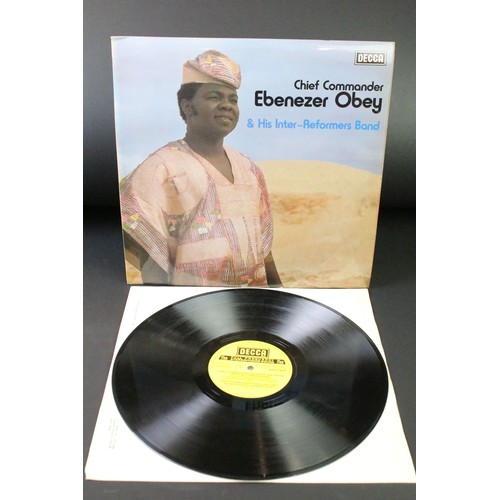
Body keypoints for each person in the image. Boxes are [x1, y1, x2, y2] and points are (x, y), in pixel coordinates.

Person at [120, 49, 282, 287]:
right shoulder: (161, 167)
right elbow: (147, 249)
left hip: (252, 302)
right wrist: (163, 301)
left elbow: (264, 249)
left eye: (233, 100)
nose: (227, 106)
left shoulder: (249, 169)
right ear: (187, 107)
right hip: (193, 303)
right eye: (214, 97)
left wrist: (279, 294)